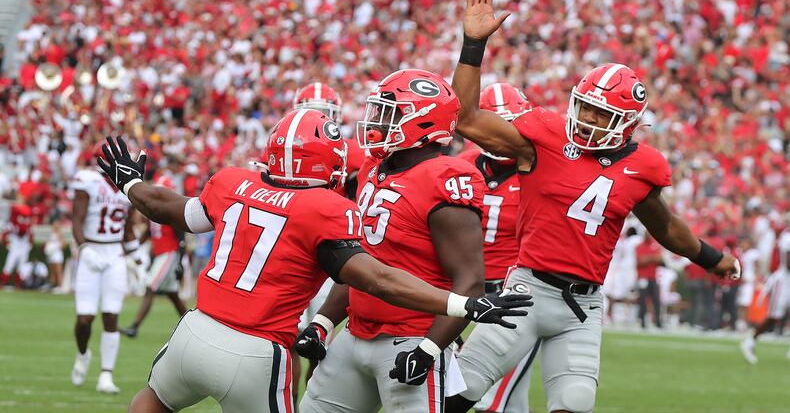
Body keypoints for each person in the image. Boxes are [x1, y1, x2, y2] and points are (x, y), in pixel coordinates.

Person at [96, 110, 532, 413]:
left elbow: (165, 207)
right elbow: (376, 277)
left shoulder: (232, 182)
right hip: (256, 349)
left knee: (153, 400)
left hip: (194, 330)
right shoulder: (323, 207)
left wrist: (131, 183)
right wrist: (463, 305)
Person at [445, 0, 740, 413]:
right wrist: (473, 45)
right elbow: (467, 119)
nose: (586, 120)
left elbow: (666, 226)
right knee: (458, 395)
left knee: (575, 404)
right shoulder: (542, 137)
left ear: (628, 122)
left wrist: (712, 259)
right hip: (526, 289)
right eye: (584, 107)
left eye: (601, 113)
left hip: (582, 306)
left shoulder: (645, 166)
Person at [298, 69, 494, 413]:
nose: (377, 121)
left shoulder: (445, 177)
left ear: (422, 123)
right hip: (356, 333)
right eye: (378, 111)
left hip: (412, 337)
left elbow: (470, 282)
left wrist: (429, 350)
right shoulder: (375, 168)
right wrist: (322, 323)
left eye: (391, 112)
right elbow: (360, 263)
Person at [459, 82, 539, 413]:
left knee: (496, 401)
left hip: (512, 293)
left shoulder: (536, 171)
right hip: (462, 292)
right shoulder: (461, 165)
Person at [291, 82, 367, 396]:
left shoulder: (351, 151)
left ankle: (311, 402)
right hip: (296, 248)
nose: (318, 119)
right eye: (312, 112)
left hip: (330, 251)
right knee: (287, 339)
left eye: (324, 114)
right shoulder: (286, 144)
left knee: (318, 340)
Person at [70, 147, 140, 394]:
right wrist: (84, 248)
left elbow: (128, 228)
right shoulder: (88, 181)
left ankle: (106, 375)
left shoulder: (128, 188)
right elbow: (77, 219)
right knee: (85, 318)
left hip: (115, 255)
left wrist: (138, 260)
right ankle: (82, 354)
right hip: (92, 251)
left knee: (111, 315)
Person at [120, 173, 188, 339]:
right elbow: (150, 234)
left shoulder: (173, 210)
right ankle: (192, 328)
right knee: (173, 296)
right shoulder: (157, 209)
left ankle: (135, 327)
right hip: (161, 254)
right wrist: (133, 247)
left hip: (169, 254)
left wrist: (179, 262)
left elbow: (181, 238)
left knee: (150, 287)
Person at [740, 224, 790, 364]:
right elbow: (788, 264)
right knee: (774, 316)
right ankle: (750, 341)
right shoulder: (787, 238)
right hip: (784, 281)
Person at [0, 200, 32, 287]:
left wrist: (30, 244)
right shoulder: (12, 224)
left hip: (23, 247)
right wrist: (6, 243)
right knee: (9, 265)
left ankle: (18, 284)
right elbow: (5, 234)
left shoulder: (26, 224)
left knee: (21, 267)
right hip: (15, 247)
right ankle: (3, 282)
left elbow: (28, 234)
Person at [636, 235, 663, 329]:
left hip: (653, 277)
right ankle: (643, 322)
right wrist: (652, 258)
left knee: (656, 300)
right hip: (642, 277)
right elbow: (640, 261)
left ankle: (658, 322)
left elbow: (659, 259)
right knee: (643, 300)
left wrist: (647, 258)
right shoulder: (639, 246)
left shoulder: (655, 245)